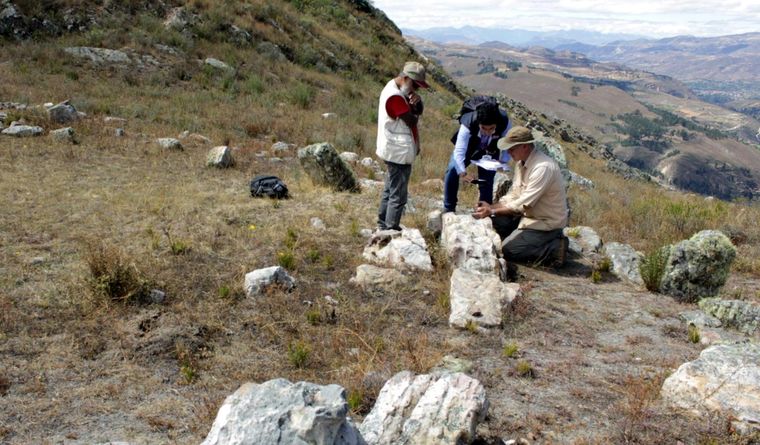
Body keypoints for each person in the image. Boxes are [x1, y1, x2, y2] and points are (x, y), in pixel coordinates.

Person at [472, 126, 569, 267]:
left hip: (544, 223)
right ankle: (523, 238)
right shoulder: (521, 163)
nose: (508, 152)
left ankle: (555, 248)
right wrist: (490, 207)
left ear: (524, 146)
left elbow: (523, 203)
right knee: (493, 219)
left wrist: (492, 210)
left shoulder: (543, 168)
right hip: (527, 217)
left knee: (508, 251)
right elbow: (514, 194)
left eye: (512, 148)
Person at [375, 61, 429, 231]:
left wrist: (417, 104)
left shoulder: (396, 88)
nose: (416, 90)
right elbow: (411, 120)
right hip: (398, 151)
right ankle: (390, 228)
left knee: (390, 189)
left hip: (395, 149)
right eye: (415, 85)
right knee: (398, 194)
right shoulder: (396, 97)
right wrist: (414, 109)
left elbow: (416, 111)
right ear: (406, 78)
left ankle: (383, 224)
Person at [443, 98, 510, 213]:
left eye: (491, 128)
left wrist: (503, 162)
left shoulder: (504, 121)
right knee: (452, 169)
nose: (487, 132)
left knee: (487, 178)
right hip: (470, 145)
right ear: (478, 123)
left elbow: (507, 144)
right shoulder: (468, 122)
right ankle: (449, 208)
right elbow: (459, 151)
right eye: (483, 128)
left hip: (491, 149)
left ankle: (484, 210)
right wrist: (462, 172)